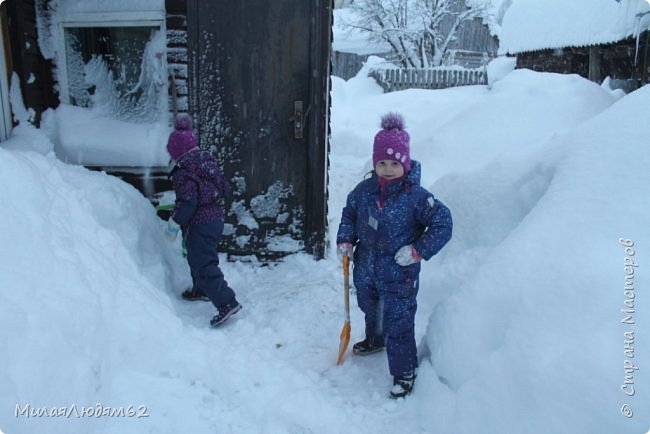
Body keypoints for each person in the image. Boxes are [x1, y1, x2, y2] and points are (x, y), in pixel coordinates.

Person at [336, 112, 452, 398]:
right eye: (382, 163)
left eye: (394, 163)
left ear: (406, 162)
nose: (387, 169)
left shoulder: (417, 197)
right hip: (365, 265)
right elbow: (349, 215)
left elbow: (443, 223)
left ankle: (404, 370)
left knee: (399, 320)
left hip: (399, 273)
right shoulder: (364, 191)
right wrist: (346, 240)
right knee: (369, 306)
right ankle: (376, 339)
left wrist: (417, 251)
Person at [164, 113, 242, 327]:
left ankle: (227, 302)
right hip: (214, 218)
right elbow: (224, 187)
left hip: (200, 223)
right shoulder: (206, 162)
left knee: (203, 262)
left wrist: (174, 222)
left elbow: (188, 202)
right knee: (198, 257)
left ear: (177, 154)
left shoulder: (184, 172)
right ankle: (201, 288)